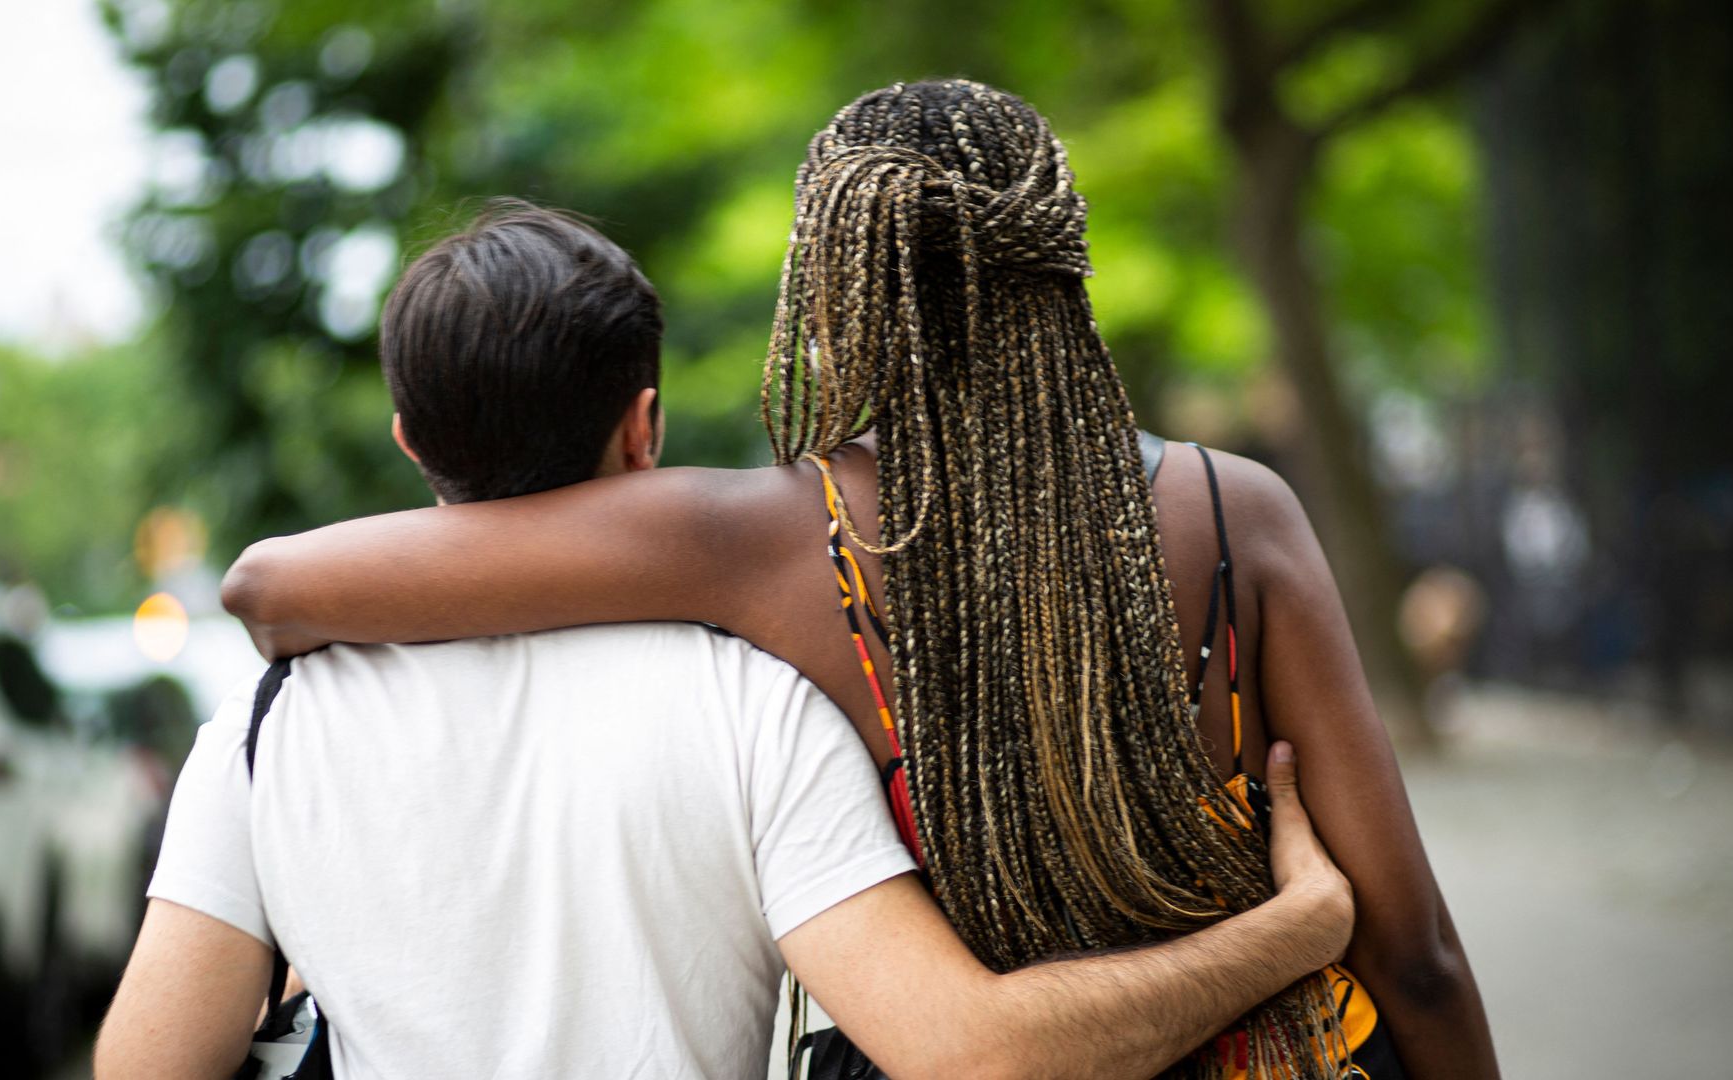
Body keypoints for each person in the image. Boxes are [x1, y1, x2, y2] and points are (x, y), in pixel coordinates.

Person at [222, 81, 1498, 1078]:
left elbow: (275, 586)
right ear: (1059, 255)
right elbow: (1420, 956)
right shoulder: (1238, 514)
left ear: (833, 298)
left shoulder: (771, 536)